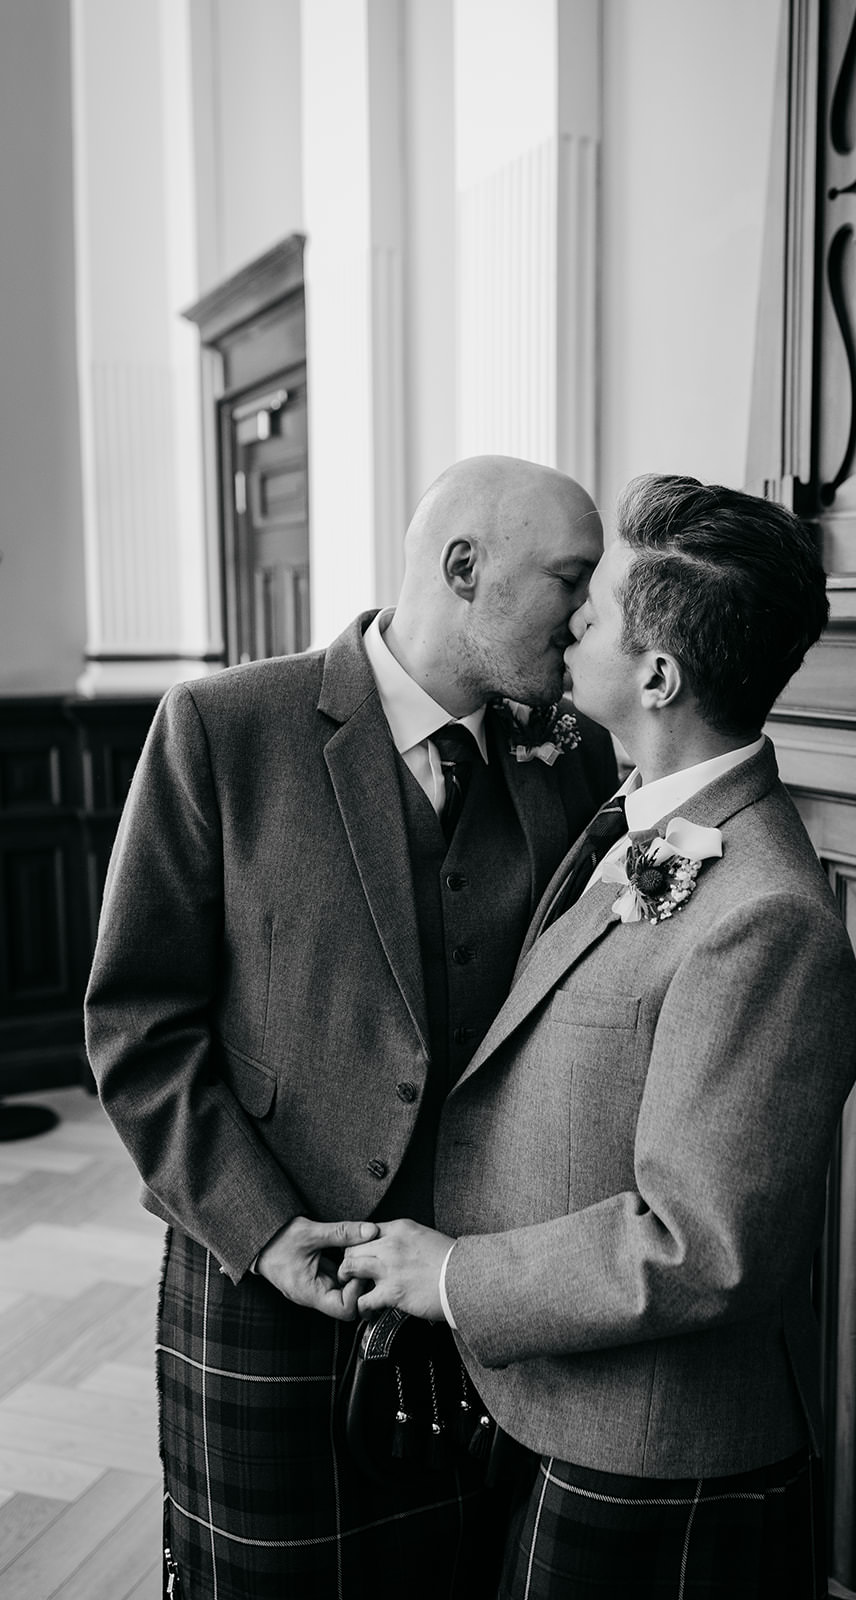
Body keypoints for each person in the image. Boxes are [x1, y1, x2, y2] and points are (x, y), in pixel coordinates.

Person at [83, 455, 617, 1600]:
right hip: (264, 1281)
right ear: (463, 567)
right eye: (568, 579)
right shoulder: (224, 728)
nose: (588, 614)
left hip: (482, 1295)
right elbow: (136, 1026)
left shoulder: (576, 758)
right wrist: (269, 1233)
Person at [339, 475, 856, 1598]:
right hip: (568, 1411)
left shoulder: (766, 918)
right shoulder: (642, 818)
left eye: (596, 602)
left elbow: (703, 1244)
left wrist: (458, 1276)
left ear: (657, 673)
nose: (570, 619)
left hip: (658, 1452)